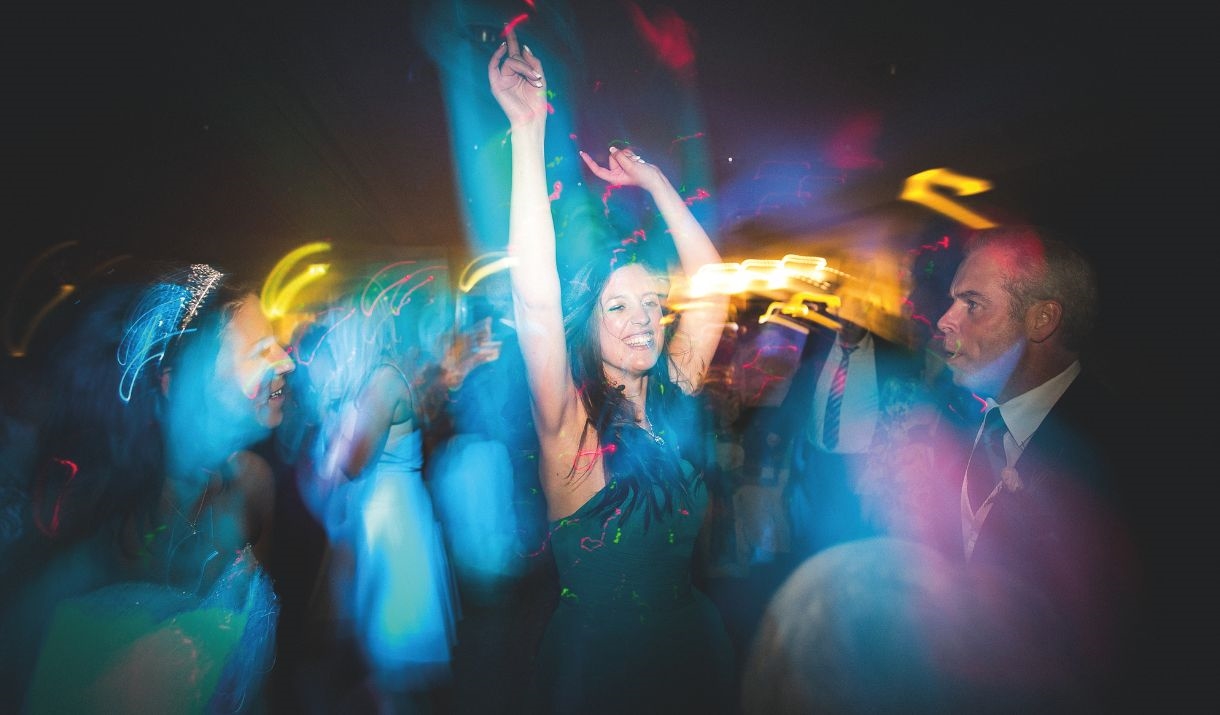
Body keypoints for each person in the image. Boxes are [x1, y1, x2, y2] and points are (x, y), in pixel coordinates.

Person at [488, 27, 736, 714]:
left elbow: (712, 284)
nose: (644, 319)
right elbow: (535, 295)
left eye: (653, 303)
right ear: (588, 325)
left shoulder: (678, 390)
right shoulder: (570, 426)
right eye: (619, 306)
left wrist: (655, 181)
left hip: (691, 651)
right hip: (602, 672)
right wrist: (530, 132)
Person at [2, 261, 292, 713]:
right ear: (174, 381)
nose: (286, 361)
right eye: (259, 351)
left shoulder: (253, 486)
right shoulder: (104, 526)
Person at [934, 224, 1146, 710]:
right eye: (951, 302)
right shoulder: (968, 420)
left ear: (1042, 320)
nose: (945, 320)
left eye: (972, 304)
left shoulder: (1114, 459)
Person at [290, 283, 460, 713]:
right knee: (373, 658)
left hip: (392, 521)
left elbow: (350, 464)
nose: (336, 343)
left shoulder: (382, 382)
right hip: (381, 516)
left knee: (393, 659)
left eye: (342, 332)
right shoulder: (370, 381)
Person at [776, 314, 922, 562]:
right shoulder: (819, 342)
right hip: (814, 460)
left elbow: (902, 409)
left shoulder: (887, 353)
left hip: (859, 466)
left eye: (856, 312)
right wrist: (778, 435)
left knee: (850, 542)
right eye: (843, 312)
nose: (847, 320)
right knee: (810, 537)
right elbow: (800, 390)